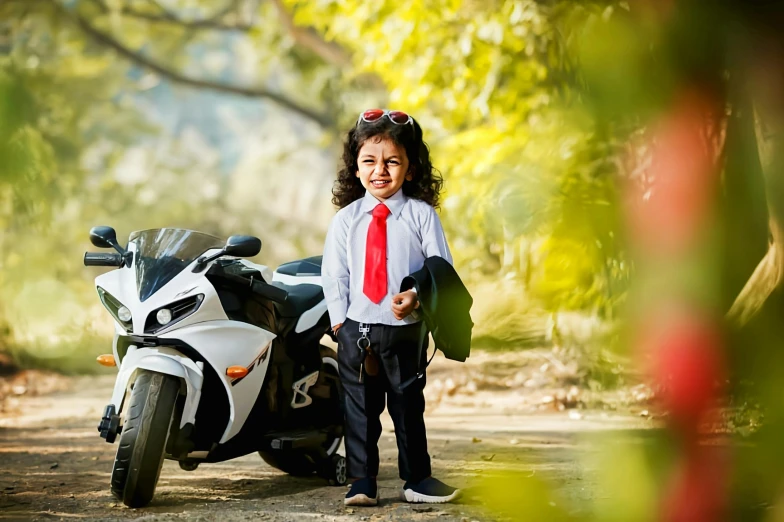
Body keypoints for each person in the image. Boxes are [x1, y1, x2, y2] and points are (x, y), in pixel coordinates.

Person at [322, 109, 461, 506]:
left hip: (406, 329)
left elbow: (440, 268)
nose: (380, 170)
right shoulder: (347, 220)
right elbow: (335, 274)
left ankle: (418, 479)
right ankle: (361, 481)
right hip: (357, 329)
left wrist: (417, 295)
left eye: (392, 161)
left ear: (411, 169)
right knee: (359, 409)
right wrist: (339, 322)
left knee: (407, 405)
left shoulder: (421, 215)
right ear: (356, 168)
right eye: (369, 161)